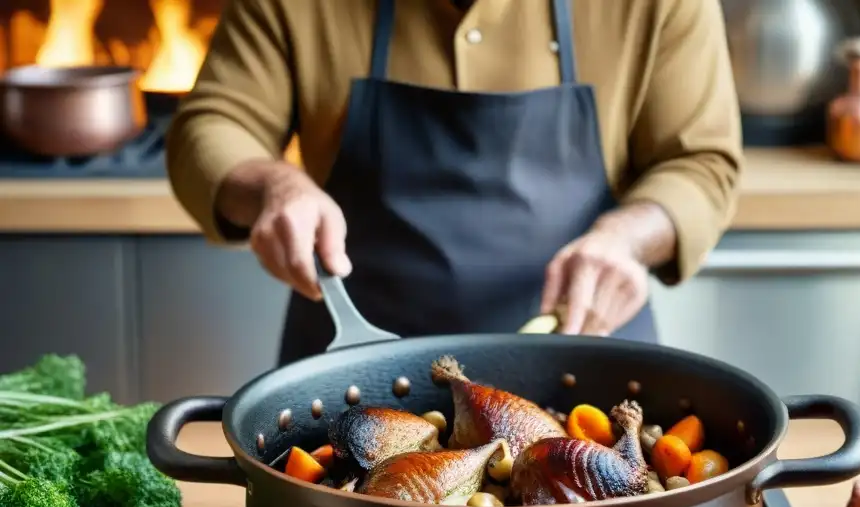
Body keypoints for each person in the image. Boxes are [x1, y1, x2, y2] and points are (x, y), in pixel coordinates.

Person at [166, 0, 742, 365]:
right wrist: (274, 185)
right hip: (352, 370)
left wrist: (628, 238)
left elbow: (701, 163)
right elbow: (214, 124)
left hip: (587, 369)